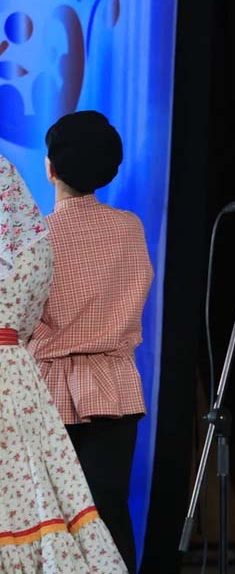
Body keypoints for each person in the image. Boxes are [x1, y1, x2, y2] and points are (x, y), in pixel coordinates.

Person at [26, 111, 152, 573]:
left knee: (46, 519)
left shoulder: (37, 236)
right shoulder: (129, 227)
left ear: (50, 168)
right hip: (113, 388)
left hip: (45, 389)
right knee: (108, 512)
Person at [0, 154, 127, 572]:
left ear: (51, 169)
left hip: (49, 374)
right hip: (105, 379)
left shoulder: (49, 231)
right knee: (83, 500)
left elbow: (41, 313)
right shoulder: (128, 227)